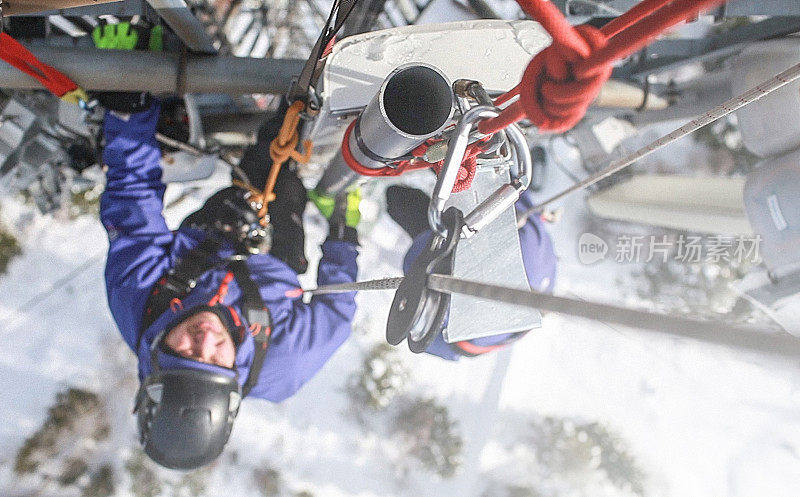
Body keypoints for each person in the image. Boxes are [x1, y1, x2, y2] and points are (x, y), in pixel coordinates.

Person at [100, 93, 361, 470]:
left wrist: (129, 114)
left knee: (263, 164)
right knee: (285, 190)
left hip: (208, 237)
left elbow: (131, 198)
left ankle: (284, 112)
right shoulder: (283, 363)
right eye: (214, 360)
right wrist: (342, 236)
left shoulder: (138, 298)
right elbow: (337, 309)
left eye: (186, 351)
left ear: (157, 354)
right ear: (232, 377)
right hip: (275, 258)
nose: (205, 339)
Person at [386, 184, 557, 359]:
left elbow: (514, 187)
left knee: (404, 200)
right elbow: (435, 343)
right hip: (445, 250)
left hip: (457, 233)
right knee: (400, 202)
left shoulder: (537, 256)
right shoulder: (487, 335)